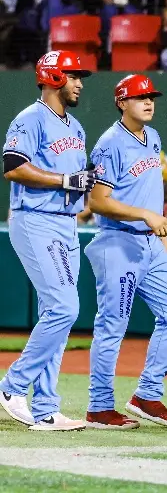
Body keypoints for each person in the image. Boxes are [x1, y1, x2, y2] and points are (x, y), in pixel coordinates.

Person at [84, 74, 167, 430]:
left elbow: (151, 195)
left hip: (150, 244)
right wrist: (145, 216)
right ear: (121, 103)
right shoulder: (109, 144)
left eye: (151, 97)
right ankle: (99, 407)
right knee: (112, 325)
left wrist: (164, 241)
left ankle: (147, 395)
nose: (149, 102)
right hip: (118, 242)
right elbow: (98, 202)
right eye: (140, 97)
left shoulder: (152, 136)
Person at [0, 50, 94, 431]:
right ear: (53, 76)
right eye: (73, 76)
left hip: (66, 223)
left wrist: (83, 184)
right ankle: (11, 386)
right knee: (64, 308)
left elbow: (74, 178)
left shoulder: (76, 127)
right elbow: (12, 166)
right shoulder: (30, 118)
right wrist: (63, 181)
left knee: (55, 314)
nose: (79, 83)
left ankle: (46, 409)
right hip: (35, 220)